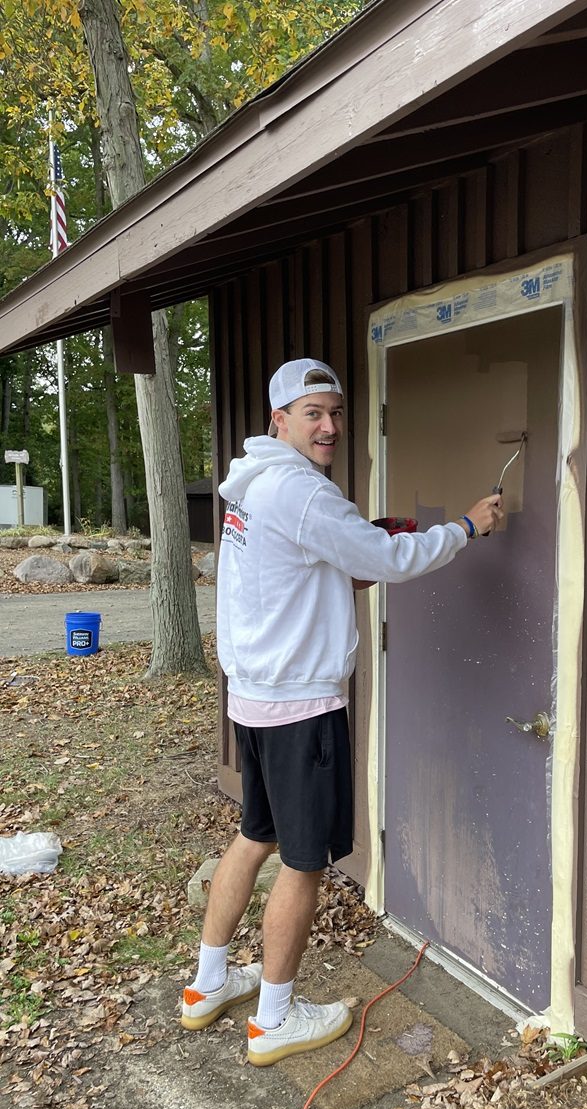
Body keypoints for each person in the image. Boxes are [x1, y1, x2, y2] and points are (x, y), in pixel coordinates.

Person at [181, 356, 503, 1067]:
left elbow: (299, 568)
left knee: (254, 834)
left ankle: (206, 987)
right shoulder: (302, 493)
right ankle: (273, 1019)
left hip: (256, 695)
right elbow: (390, 560)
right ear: (280, 421)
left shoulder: (252, 485)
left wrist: (353, 551)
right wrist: (468, 529)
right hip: (301, 703)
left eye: (334, 412)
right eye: (312, 414)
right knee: (303, 863)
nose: (328, 426)